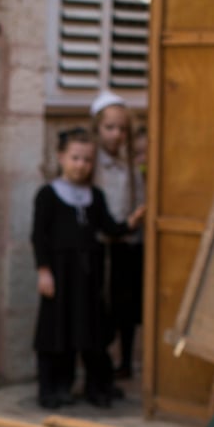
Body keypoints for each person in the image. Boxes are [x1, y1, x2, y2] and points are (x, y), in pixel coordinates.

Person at [31, 126, 144, 409]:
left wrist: (131, 222)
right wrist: (43, 270)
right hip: (59, 275)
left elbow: (109, 227)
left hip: (88, 278)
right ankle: (55, 389)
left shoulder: (95, 196)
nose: (81, 165)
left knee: (92, 332)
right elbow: (39, 236)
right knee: (57, 333)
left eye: (87, 160)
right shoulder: (48, 194)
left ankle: (98, 387)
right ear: (61, 157)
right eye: (75, 158)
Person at [90, 92, 146, 381]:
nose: (116, 135)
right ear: (98, 128)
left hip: (128, 241)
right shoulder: (92, 163)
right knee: (104, 305)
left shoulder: (130, 163)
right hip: (103, 243)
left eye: (122, 129)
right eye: (110, 128)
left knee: (127, 305)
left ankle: (125, 361)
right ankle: (100, 365)